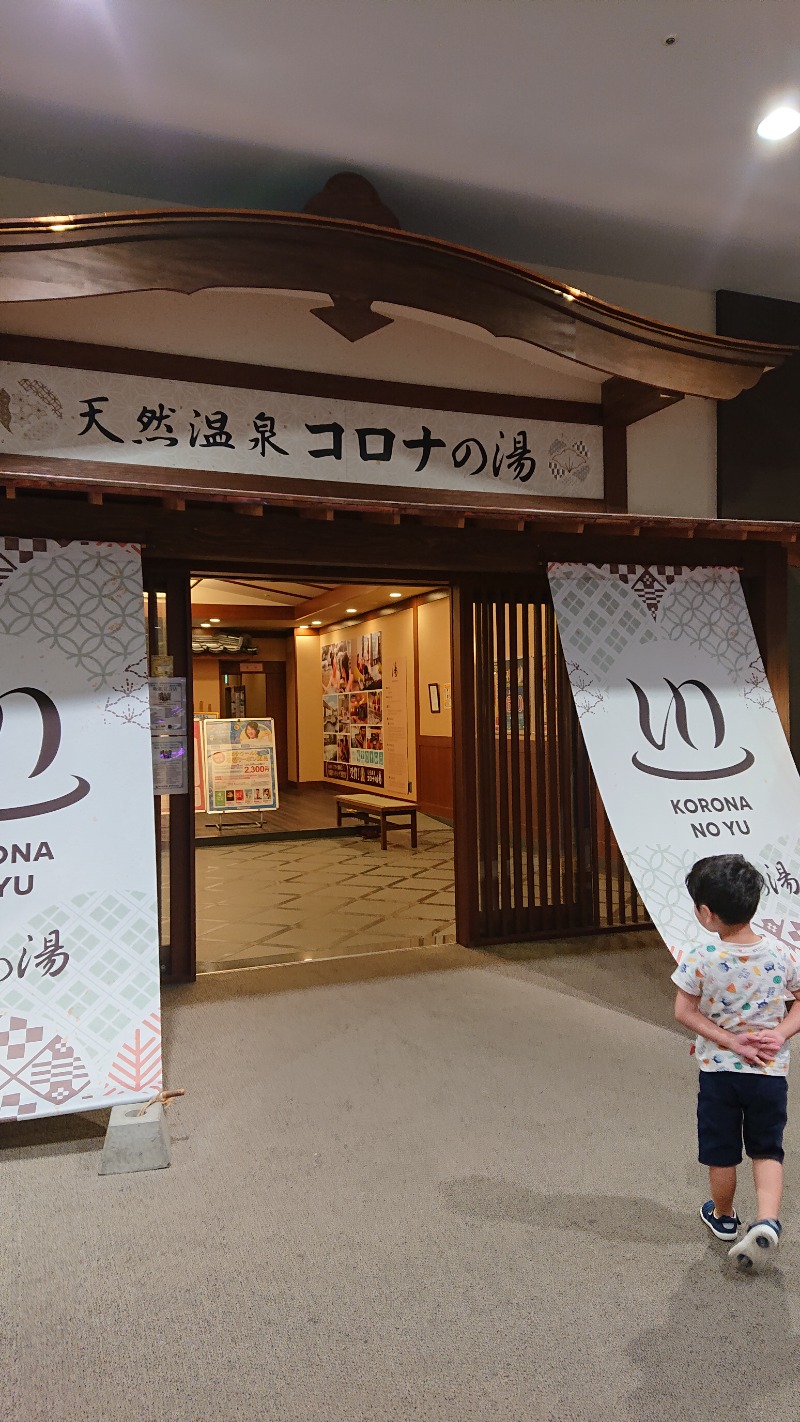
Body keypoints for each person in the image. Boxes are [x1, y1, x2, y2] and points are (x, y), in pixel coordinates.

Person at [673, 853, 800, 1271]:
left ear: (706, 913)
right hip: (769, 1072)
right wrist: (779, 1034)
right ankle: (767, 1220)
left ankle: (725, 1218)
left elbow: (685, 1012)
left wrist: (730, 1040)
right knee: (767, 1149)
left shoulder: (700, 955)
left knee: (722, 1151)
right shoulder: (781, 954)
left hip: (720, 1074)